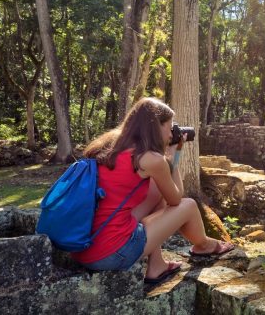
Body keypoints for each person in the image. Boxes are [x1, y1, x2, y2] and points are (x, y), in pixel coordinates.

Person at [71, 97, 234, 285]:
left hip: (83, 249)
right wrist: (173, 157)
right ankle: (204, 245)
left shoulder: (108, 146)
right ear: (156, 127)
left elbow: (158, 195)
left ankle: (156, 266)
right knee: (189, 205)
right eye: (169, 127)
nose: (170, 133)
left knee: (156, 191)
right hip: (112, 254)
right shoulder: (151, 159)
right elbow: (176, 199)